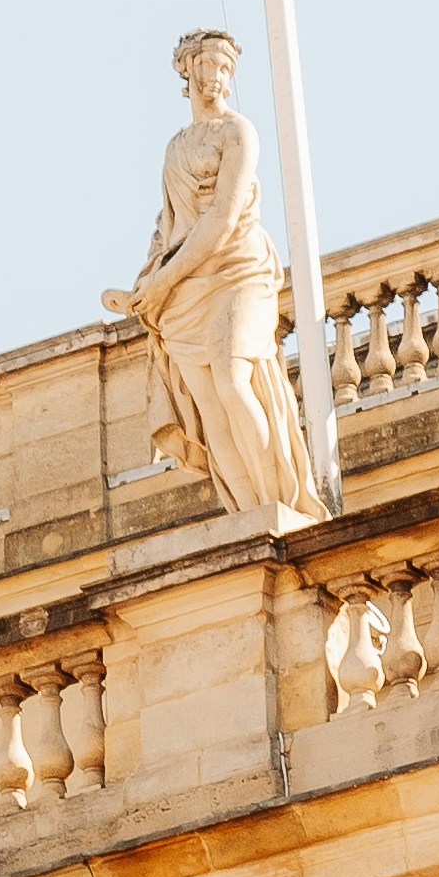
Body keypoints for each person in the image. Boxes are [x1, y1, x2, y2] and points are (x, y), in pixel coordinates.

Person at [106, 30, 318, 530]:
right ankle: (248, 516)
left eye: (224, 68)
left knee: (231, 375)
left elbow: (222, 218)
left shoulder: (239, 132)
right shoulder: (175, 147)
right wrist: (147, 282)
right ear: (188, 70)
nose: (216, 78)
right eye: (207, 66)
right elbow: (169, 225)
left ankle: (279, 502)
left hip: (235, 269)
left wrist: (163, 282)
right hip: (183, 291)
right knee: (210, 406)